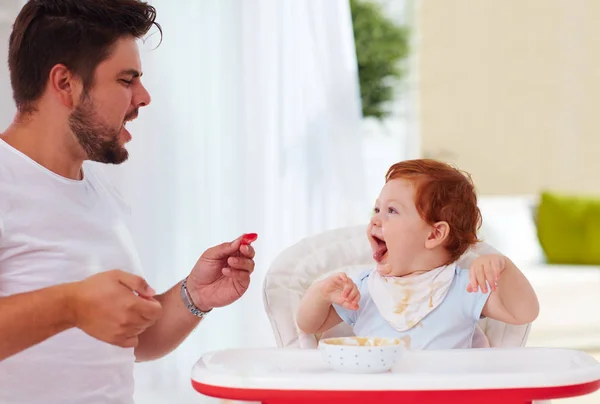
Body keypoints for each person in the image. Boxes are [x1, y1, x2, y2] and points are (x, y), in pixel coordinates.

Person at [0, 1, 257, 403]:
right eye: (126, 80)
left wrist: (193, 295)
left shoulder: (100, 192)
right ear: (65, 83)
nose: (144, 96)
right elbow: (77, 310)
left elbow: (127, 342)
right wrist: (70, 304)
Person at [297, 159, 539, 349]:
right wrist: (320, 293)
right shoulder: (364, 289)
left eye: (392, 210)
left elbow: (524, 313)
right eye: (377, 208)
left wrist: (503, 267)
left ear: (434, 235)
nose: (375, 219)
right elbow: (309, 325)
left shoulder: (464, 287)